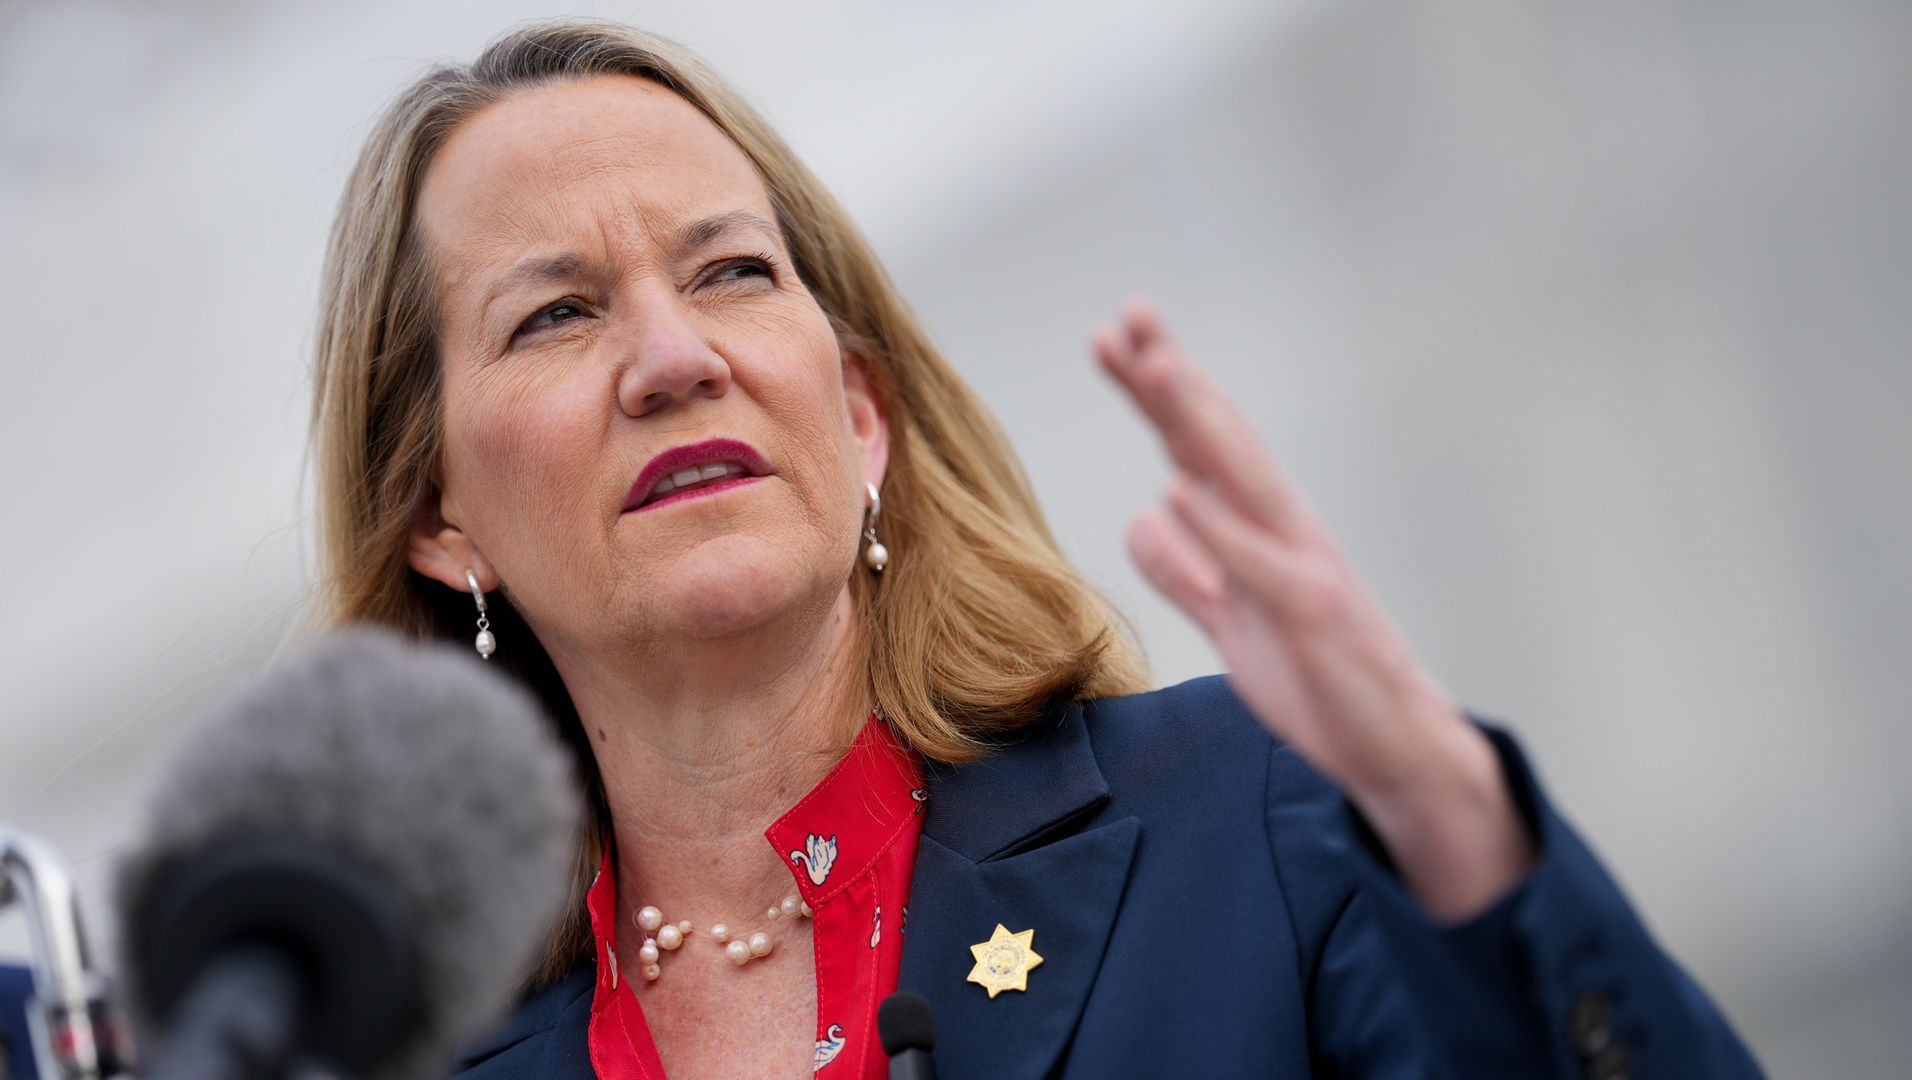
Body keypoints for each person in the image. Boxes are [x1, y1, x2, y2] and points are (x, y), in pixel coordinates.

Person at [303, 16, 1763, 1080]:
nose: (674, 356)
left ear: (860, 417)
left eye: (733, 272)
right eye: (556, 314)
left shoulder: (1257, 818)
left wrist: (1451, 822)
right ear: (438, 515)